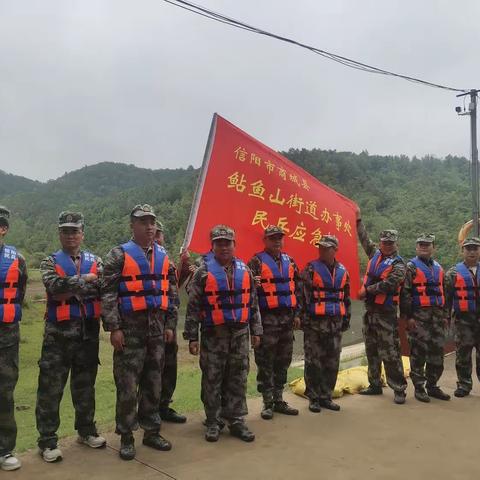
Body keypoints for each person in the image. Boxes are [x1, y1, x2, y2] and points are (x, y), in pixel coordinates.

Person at [102, 204, 178, 460]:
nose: (148, 226)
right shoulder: (118, 254)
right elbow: (108, 293)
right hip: (129, 331)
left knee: (153, 384)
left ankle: (151, 431)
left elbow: (172, 292)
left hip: (156, 330)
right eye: (143, 222)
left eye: (151, 222)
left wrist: (169, 325)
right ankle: (126, 436)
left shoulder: (163, 255)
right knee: (127, 387)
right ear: (132, 225)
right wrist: (114, 328)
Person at [36, 212, 105, 463]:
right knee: (50, 390)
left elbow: (104, 286)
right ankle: (47, 441)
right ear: (59, 234)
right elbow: (54, 287)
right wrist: (85, 280)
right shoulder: (49, 261)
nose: (71, 235)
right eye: (66, 231)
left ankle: (86, 431)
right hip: (58, 337)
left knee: (85, 386)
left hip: (88, 334)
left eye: (75, 231)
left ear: (82, 234)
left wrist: (70, 287)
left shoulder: (96, 260)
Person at [184, 225, 262, 442]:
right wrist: (192, 337)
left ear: (234, 245)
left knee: (238, 378)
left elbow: (253, 304)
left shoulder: (246, 271)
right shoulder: (203, 272)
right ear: (213, 246)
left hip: (240, 335)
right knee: (212, 379)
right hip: (213, 336)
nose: (224, 247)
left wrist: (256, 331)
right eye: (219, 243)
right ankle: (213, 421)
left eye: (228, 243)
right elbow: (193, 307)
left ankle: (236, 420)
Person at [248, 225, 301, 420]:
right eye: (272, 238)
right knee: (265, 361)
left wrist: (297, 314)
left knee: (283, 360)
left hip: (287, 319)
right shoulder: (255, 262)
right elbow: (250, 295)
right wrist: (255, 326)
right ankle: (267, 402)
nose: (277, 241)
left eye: (279, 238)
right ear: (265, 240)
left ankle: (279, 399)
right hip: (267, 320)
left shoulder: (291, 261)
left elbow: (297, 288)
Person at [357, 209, 408, 404]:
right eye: (384, 242)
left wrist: (367, 291)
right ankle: (375, 384)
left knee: (391, 352)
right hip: (370, 312)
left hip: (386, 314)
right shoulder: (374, 254)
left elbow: (389, 285)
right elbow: (364, 239)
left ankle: (399, 389)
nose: (386, 245)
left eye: (390, 242)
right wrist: (357, 220)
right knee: (371, 349)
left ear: (396, 244)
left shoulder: (399, 265)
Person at [301, 235, 350, 412]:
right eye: (320, 247)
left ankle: (326, 396)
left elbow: (346, 298)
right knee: (314, 361)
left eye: (326, 248)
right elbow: (303, 297)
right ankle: (313, 397)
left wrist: (346, 319)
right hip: (315, 324)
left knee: (332, 361)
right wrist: (304, 321)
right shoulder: (310, 269)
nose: (322, 250)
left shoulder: (343, 271)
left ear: (335, 249)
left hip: (335, 324)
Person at [400, 234, 450, 402]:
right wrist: (409, 317)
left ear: (433, 248)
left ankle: (433, 386)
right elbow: (405, 293)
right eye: (420, 244)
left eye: (427, 245)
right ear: (416, 248)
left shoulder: (438, 268)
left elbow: (443, 292)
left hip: (437, 317)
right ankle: (419, 388)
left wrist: (444, 315)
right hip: (419, 317)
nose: (423, 247)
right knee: (418, 354)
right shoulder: (411, 267)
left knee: (437, 353)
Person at [0, 206, 27, 472]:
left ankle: (5, 450)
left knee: (4, 393)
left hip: (6, 335)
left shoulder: (17, 259)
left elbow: (19, 293)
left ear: (4, 229)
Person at [154, 221, 186, 424]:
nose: (157, 238)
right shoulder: (137, 258)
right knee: (149, 369)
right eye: (154, 233)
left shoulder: (168, 260)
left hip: (168, 323)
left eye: (159, 234)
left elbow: (174, 291)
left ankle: (163, 406)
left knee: (169, 366)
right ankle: (147, 411)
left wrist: (184, 265)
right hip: (145, 325)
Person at [445, 237, 480, 397]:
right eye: (468, 249)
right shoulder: (453, 273)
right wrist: (445, 318)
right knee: (463, 354)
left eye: (475, 248)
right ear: (462, 251)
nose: (472, 251)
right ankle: (464, 385)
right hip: (462, 322)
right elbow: (446, 299)